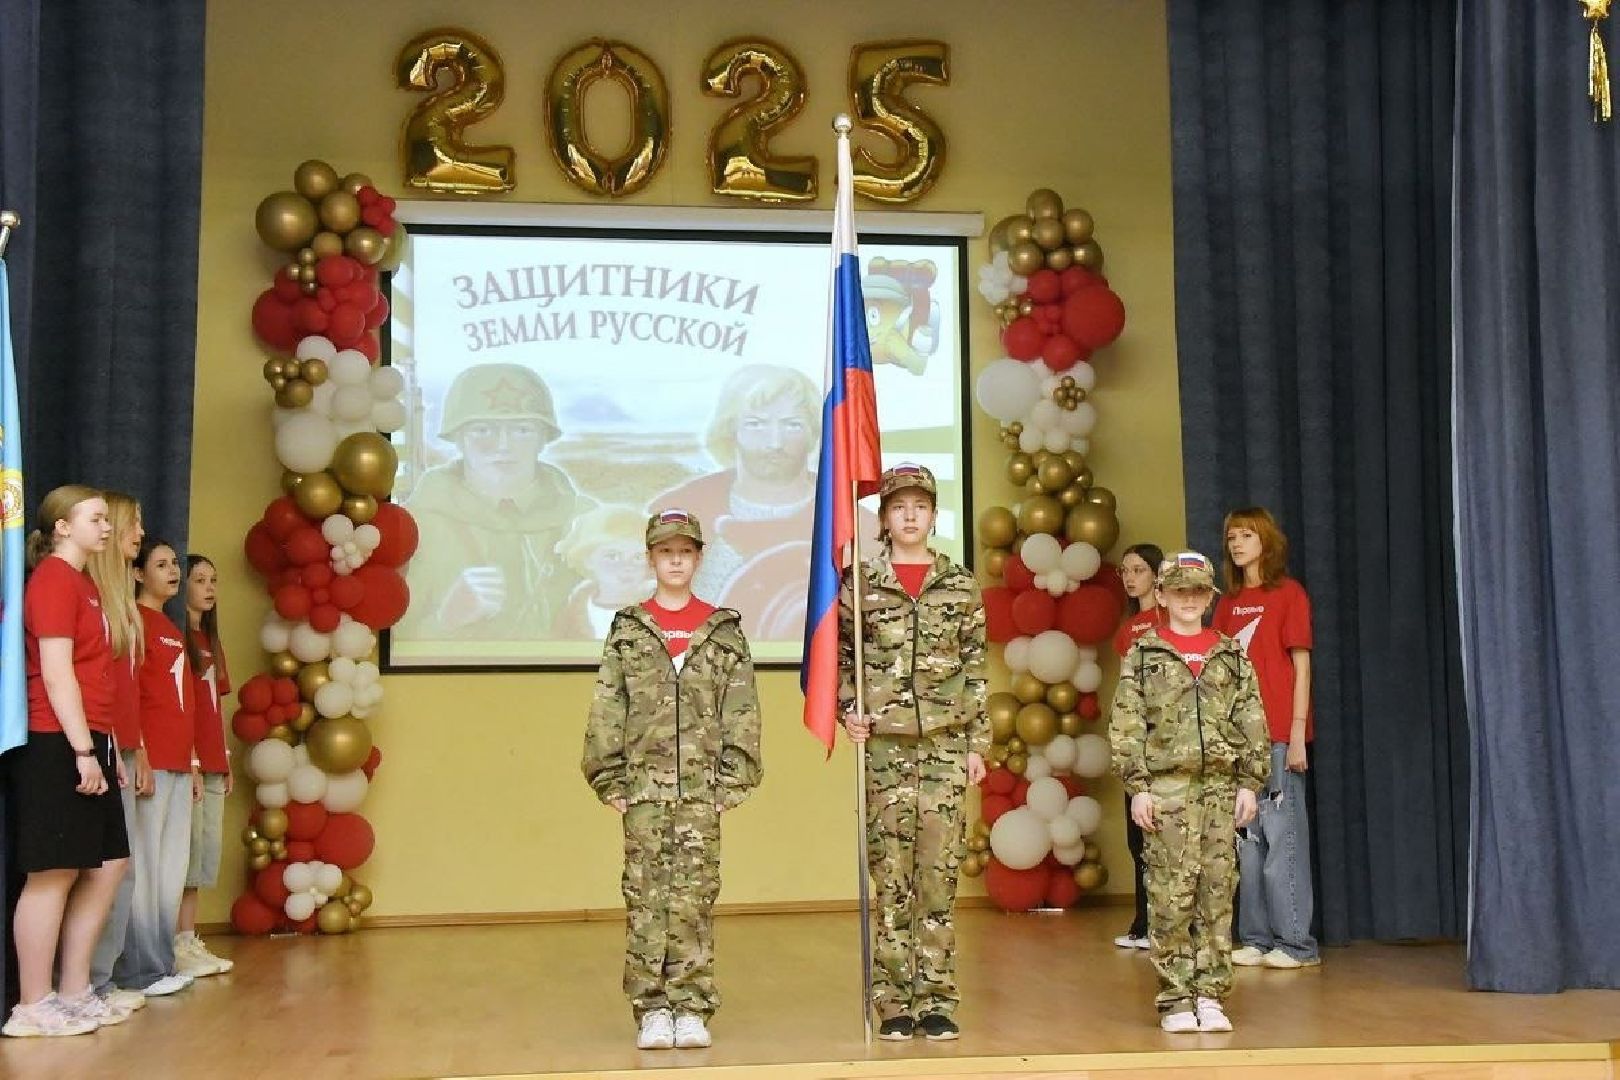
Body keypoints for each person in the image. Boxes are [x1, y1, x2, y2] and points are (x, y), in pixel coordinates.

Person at [581, 509, 762, 1051]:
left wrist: (732, 783)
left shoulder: (724, 630)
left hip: (702, 793)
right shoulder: (630, 629)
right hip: (643, 791)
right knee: (645, 896)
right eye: (665, 552)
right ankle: (651, 1009)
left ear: (699, 558)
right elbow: (607, 706)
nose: (675, 560)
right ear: (651, 559)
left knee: (695, 897)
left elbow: (743, 710)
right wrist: (608, 777)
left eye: (685, 551)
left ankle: (691, 1005)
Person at [840, 463, 988, 1042]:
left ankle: (937, 999)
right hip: (884, 749)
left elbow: (975, 668)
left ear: (932, 515)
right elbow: (843, 662)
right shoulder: (861, 584)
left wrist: (978, 743)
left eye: (920, 507)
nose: (909, 515)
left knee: (937, 877)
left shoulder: (958, 583)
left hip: (947, 748)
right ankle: (893, 1002)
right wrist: (846, 710)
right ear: (884, 517)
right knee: (891, 879)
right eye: (899, 506)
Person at [1109, 552, 1269, 1034]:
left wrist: (1249, 781)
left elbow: (1252, 719)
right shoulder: (1144, 654)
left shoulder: (1230, 654)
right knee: (1170, 894)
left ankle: (1211, 993)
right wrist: (1137, 787)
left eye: (1198, 592)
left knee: (1217, 893)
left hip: (1221, 789)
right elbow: (1127, 724)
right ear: (1161, 596)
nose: (1189, 600)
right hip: (1167, 790)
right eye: (1179, 591)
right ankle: (1176, 995)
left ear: (1209, 597)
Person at [5, 486, 132, 1037]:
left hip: (91, 738)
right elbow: (57, 674)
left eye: (108, 520)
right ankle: (32, 1005)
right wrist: (83, 750)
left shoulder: (87, 584)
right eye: (96, 518)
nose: (106, 528)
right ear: (61, 527)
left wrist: (108, 749)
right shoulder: (54, 580)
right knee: (52, 874)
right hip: (55, 740)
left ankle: (76, 990)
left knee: (107, 866)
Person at [650, 364, 874, 640]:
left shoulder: (854, 523)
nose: (774, 442)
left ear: (814, 432)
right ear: (730, 429)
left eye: (792, 424)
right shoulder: (681, 510)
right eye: (756, 424)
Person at [401, 362, 590, 641]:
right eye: (483, 430)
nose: (503, 445)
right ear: (458, 438)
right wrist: (447, 620)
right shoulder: (418, 526)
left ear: (543, 438)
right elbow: (385, 642)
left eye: (522, 430)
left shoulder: (585, 521)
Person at [1212, 507, 1321, 970]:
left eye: (1247, 536)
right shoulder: (1226, 605)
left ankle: (1296, 942)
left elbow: (1301, 665)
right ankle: (1255, 937)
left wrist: (1297, 733)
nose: (1238, 544)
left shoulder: (1288, 594)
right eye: (1232, 537)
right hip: (1238, 740)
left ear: (1266, 541)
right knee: (1248, 842)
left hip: (1277, 733)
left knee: (1283, 838)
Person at [115, 538, 195, 996]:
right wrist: (139, 750)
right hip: (152, 762)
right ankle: (139, 970)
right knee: (143, 867)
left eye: (174, 564)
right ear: (139, 573)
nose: (172, 572)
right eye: (161, 565)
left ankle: (162, 963)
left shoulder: (170, 626)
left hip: (179, 763)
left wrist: (195, 763)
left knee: (170, 867)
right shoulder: (135, 621)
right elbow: (132, 697)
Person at [174, 553, 234, 977]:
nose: (209, 588)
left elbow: (215, 707)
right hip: (188, 763)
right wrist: (193, 760)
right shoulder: (178, 640)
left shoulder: (210, 641)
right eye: (199, 579)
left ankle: (187, 938)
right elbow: (182, 710)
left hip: (213, 761)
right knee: (184, 854)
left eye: (213, 580)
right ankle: (172, 943)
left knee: (202, 858)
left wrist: (223, 756)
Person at [1111, 542, 1166, 952]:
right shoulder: (1127, 630)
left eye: (1139, 570)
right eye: (1125, 571)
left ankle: (1165, 924)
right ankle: (1144, 922)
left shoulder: (1168, 619)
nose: (1131, 578)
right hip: (1138, 741)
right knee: (1137, 837)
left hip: (1167, 739)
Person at [552, 505, 655, 640]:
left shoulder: (664, 610)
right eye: (613, 556)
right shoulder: (570, 615)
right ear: (588, 559)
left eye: (638, 557)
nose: (626, 566)